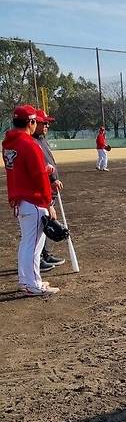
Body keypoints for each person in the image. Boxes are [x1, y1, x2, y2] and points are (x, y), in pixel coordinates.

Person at [2, 104, 60, 295]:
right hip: (34, 201)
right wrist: (49, 203)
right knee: (34, 245)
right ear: (31, 122)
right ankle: (33, 284)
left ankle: (27, 280)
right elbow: (38, 179)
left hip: (20, 200)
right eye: (35, 121)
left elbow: (23, 170)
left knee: (27, 243)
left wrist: (45, 169)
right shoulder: (30, 144)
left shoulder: (9, 143)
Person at [34, 108, 66, 271]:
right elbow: (41, 167)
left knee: (45, 222)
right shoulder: (33, 142)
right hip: (42, 189)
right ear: (34, 123)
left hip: (49, 187)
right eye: (44, 123)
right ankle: (38, 258)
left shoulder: (41, 139)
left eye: (48, 123)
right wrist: (52, 180)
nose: (47, 126)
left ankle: (45, 254)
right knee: (41, 225)